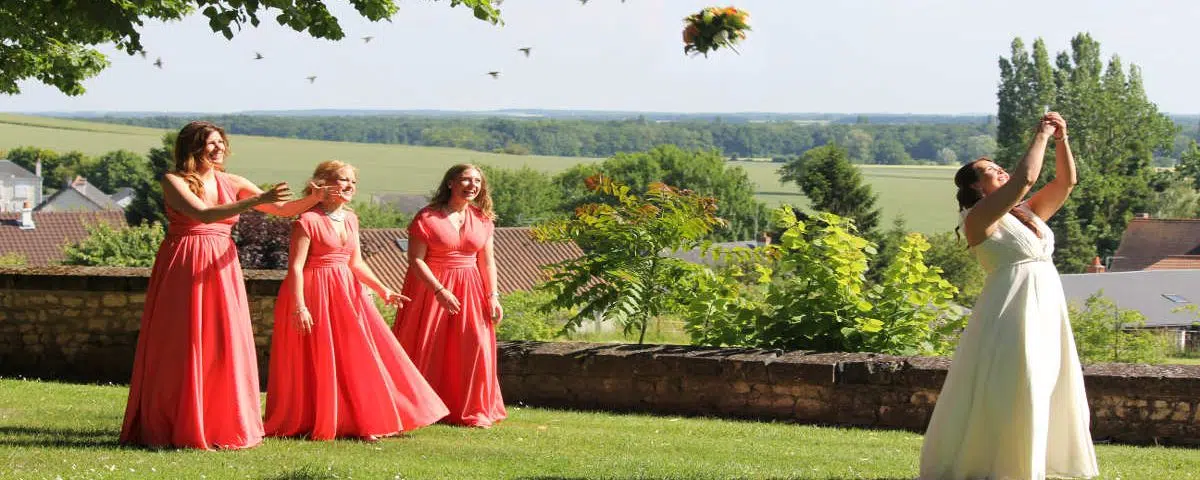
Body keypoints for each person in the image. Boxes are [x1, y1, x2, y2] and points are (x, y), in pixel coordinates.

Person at [120, 121, 336, 450]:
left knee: (223, 340)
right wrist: (255, 200)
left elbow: (280, 210)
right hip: (185, 261)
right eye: (211, 143)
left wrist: (314, 198)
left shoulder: (232, 181)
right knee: (185, 340)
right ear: (191, 146)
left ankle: (222, 423)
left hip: (222, 263)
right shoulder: (173, 180)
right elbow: (202, 214)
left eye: (221, 142)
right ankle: (176, 422)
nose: (219, 148)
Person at [919, 112, 1099, 479]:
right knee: (1019, 380)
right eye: (990, 169)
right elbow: (1025, 178)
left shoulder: (1025, 214)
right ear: (975, 187)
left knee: (1047, 378)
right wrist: (1042, 134)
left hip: (1045, 301)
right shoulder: (978, 218)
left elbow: (1066, 183)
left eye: (999, 166)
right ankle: (1003, 466)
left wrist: (1062, 138)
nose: (999, 169)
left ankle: (1039, 464)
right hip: (1012, 305)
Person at [265, 160, 449, 441]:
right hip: (314, 293)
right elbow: (295, 268)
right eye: (343, 180)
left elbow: (356, 263)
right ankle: (325, 419)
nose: (350, 186)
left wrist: (383, 289)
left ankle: (366, 419)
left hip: (347, 293)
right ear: (323, 183)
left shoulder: (351, 218)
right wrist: (299, 306)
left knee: (359, 354)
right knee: (320, 357)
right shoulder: (307, 220)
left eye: (353, 181)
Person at [392, 164, 507, 428]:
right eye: (466, 180)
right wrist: (439, 290)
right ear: (451, 183)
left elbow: (487, 261)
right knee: (428, 346)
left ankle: (473, 410)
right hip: (431, 288)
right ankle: (422, 408)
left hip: (471, 288)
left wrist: (493, 295)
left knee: (474, 347)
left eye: (477, 181)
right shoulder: (427, 217)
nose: (472, 185)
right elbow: (415, 260)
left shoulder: (483, 218)